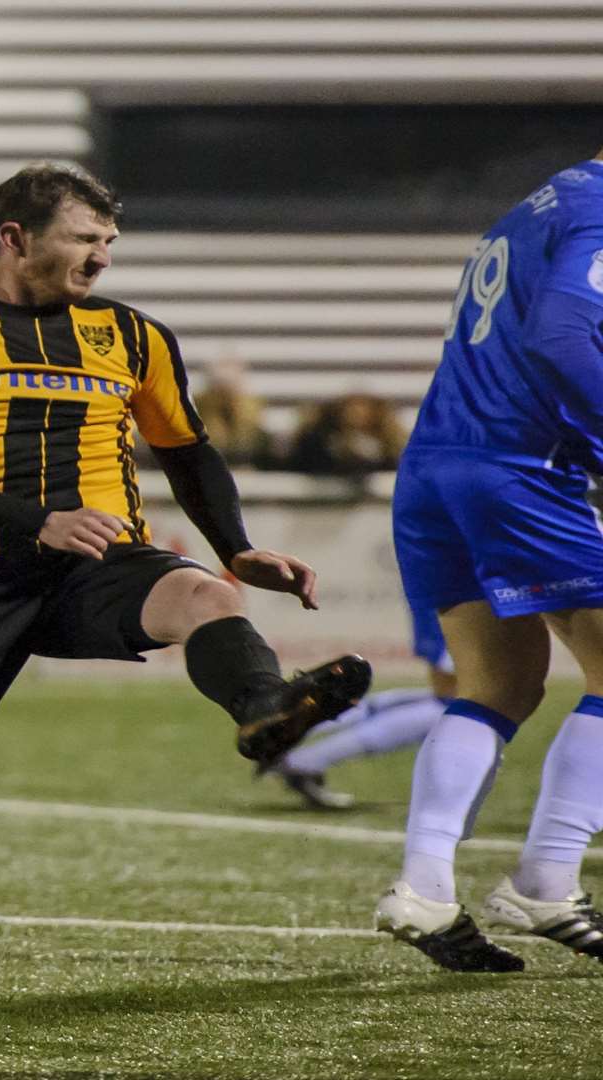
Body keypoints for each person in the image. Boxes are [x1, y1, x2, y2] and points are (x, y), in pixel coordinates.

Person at [0, 163, 370, 1006]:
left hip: (97, 561)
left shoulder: (133, 334)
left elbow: (189, 449)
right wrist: (34, 518)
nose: (102, 257)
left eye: (109, 242)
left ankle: (265, 710)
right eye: (84, 239)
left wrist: (235, 548)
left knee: (207, 595)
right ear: (14, 238)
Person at [374, 151, 603, 972]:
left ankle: (425, 886)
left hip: (437, 463)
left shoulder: (540, 204)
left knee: (498, 684)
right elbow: (563, 334)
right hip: (519, 468)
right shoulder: (599, 209)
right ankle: (547, 876)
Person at [262, 600, 452, 809]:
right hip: (462, 598)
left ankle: (290, 730)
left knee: (451, 700)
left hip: (447, 591)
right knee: (454, 708)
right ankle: (303, 760)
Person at [281, 392, 406, 476]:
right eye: (352, 408)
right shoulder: (325, 440)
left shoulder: (387, 444)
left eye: (363, 409)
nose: (358, 414)